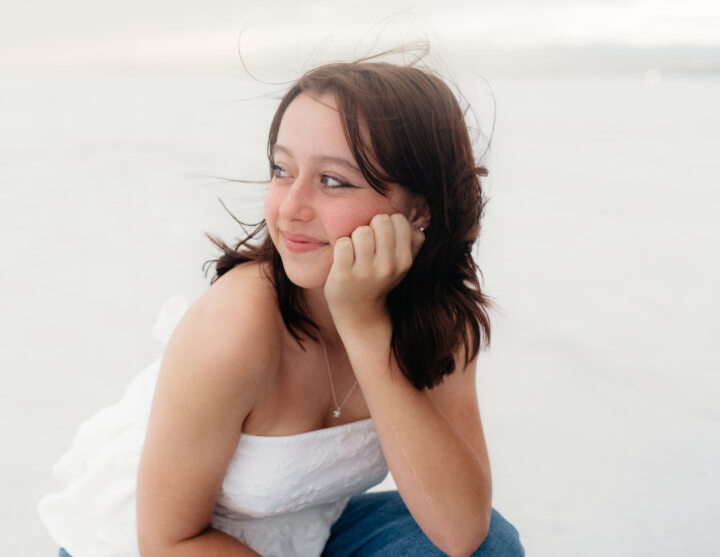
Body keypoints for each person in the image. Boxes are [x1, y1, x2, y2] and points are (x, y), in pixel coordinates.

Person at [39, 58, 524, 556]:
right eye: (281, 170)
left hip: (302, 538)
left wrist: (365, 327)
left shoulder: (439, 323)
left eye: (333, 181)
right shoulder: (235, 325)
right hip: (164, 548)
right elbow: (167, 541)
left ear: (418, 210)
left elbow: (462, 532)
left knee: (492, 547)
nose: (291, 207)